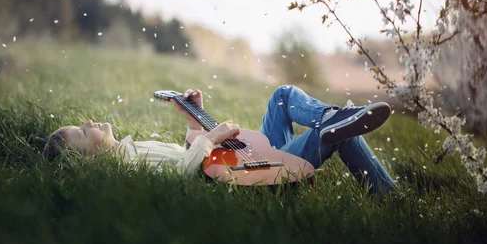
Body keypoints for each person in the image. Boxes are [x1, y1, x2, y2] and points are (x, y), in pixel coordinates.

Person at [44, 85, 398, 194]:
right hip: (257, 171)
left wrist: (195, 118)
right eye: (82, 131)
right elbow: (181, 175)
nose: (89, 121)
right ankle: (386, 194)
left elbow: (195, 160)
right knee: (335, 132)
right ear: (86, 160)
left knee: (283, 96)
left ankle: (328, 119)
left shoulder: (130, 149)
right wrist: (210, 136)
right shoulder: (126, 165)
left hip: (240, 159)